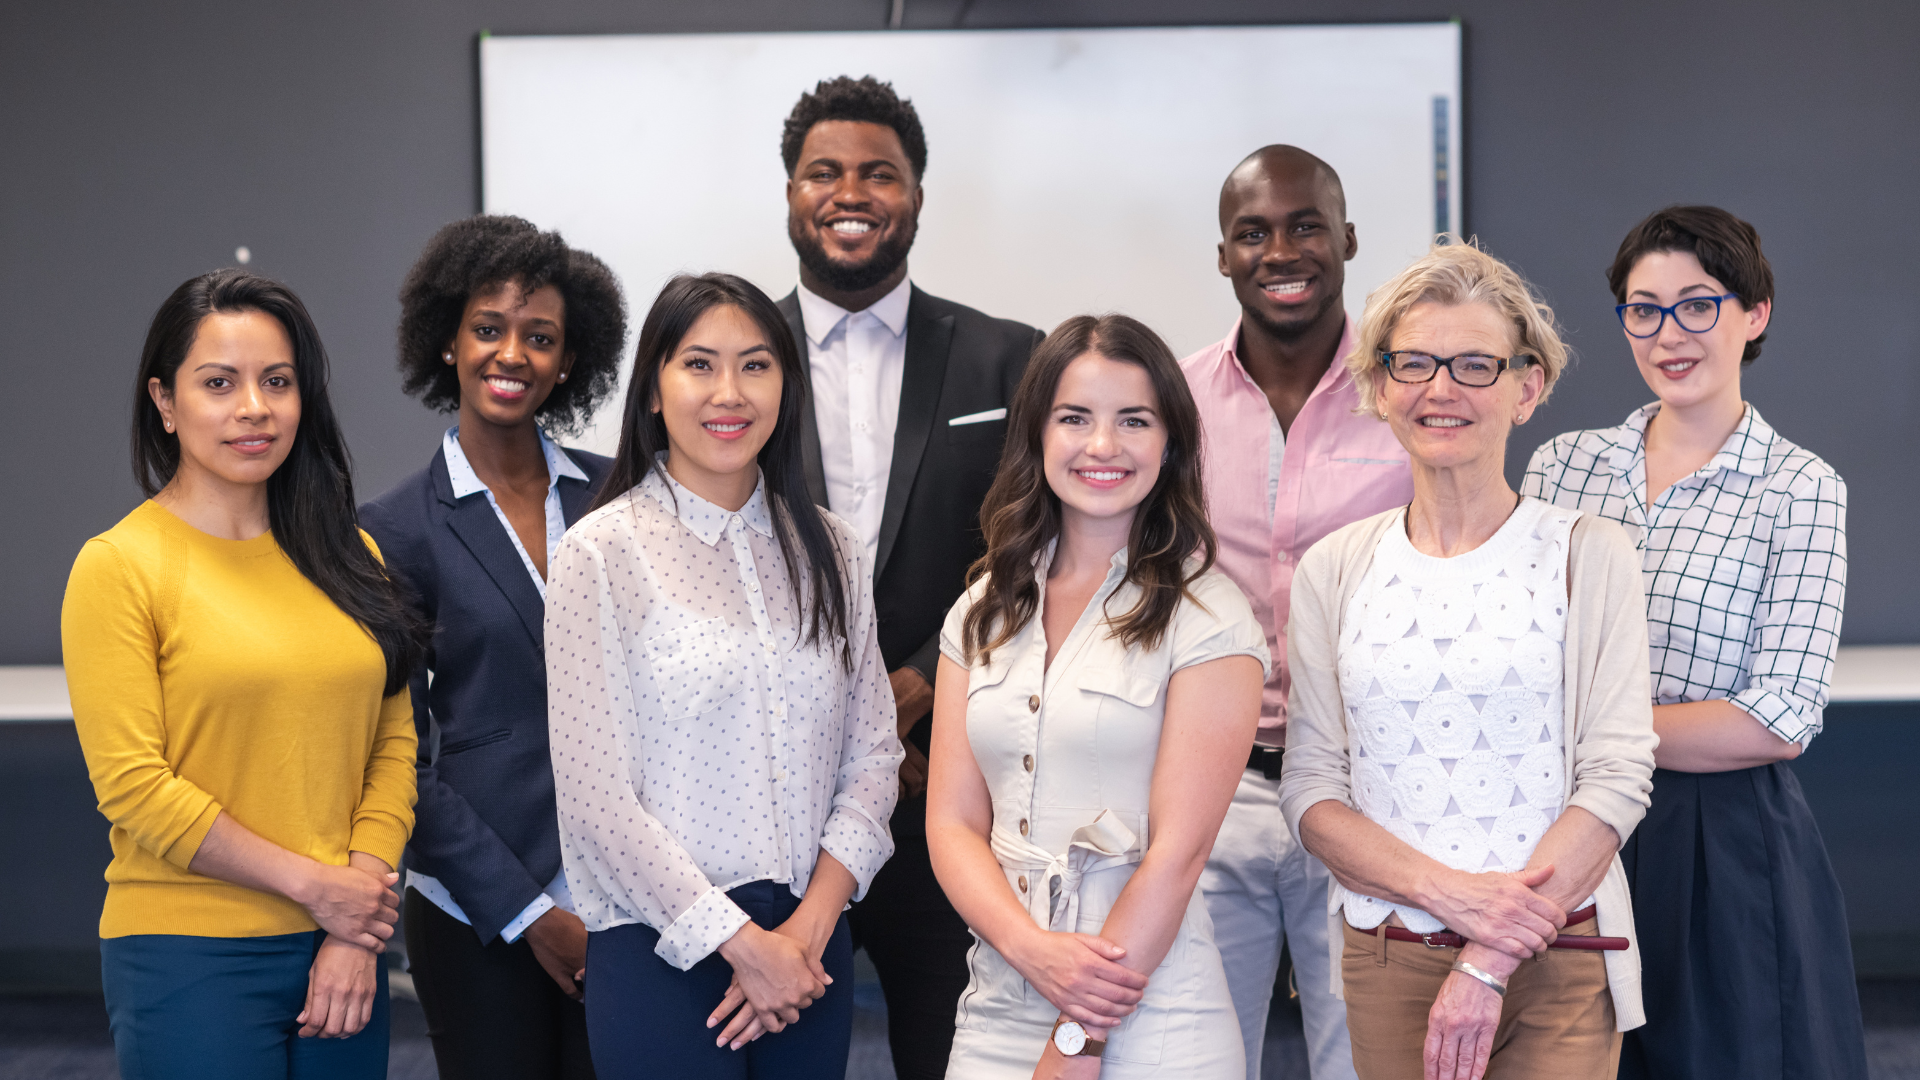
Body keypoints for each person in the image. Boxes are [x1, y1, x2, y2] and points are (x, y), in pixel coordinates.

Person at [1279, 240, 1660, 1080]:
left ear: (1529, 388)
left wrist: (1487, 953)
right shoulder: (1334, 569)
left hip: (1558, 945)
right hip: (1387, 952)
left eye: (1476, 365)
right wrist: (1448, 895)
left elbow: (1617, 776)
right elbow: (1311, 789)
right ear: (1379, 387)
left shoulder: (1589, 554)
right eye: (1413, 363)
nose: (1441, 389)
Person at [1522, 206, 1866, 1079]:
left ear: (1755, 314)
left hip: (1719, 840)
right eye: (1644, 308)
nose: (1668, 333)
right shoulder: (1564, 467)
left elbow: (1777, 718)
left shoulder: (1801, 488)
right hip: (1562, 826)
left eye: (1697, 304)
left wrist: (1602, 735)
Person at [62, 269, 422, 1079]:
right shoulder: (119, 567)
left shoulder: (349, 556)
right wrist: (321, 890)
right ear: (164, 401)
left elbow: (393, 744)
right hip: (186, 953)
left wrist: (351, 920)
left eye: (277, 381)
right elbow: (133, 785)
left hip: (340, 952)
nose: (254, 407)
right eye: (219, 383)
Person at [544, 272, 902, 1079]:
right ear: (653, 391)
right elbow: (599, 801)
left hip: (810, 948)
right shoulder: (599, 554)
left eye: (756, 365)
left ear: (787, 386)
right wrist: (741, 946)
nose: (729, 392)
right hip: (658, 944)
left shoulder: (834, 550)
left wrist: (806, 934)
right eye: (699, 364)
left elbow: (875, 757)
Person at [773, 74, 1042, 1079]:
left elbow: (1036, 542)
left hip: (958, 794)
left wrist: (927, 677)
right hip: (778, 804)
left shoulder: (1007, 358)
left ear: (917, 194)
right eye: (825, 173)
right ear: (792, 193)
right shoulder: (729, 360)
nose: (852, 193)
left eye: (879, 173)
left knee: (961, 1055)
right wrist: (847, 714)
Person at [927, 313, 1269, 1079]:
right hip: (999, 1003)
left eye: (1134, 421)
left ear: (1172, 441)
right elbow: (951, 823)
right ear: (1037, 434)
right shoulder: (983, 605)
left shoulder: (1211, 617)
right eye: (1074, 418)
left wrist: (1080, 1034)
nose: (1102, 446)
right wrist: (1032, 953)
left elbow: (1177, 857)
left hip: (1149, 1013)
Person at [358, 215, 627, 1080]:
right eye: (488, 328)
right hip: (477, 902)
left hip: (628, 891)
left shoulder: (624, 493)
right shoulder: (395, 529)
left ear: (569, 361)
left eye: (539, 337)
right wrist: (528, 912)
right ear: (447, 342)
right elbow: (400, 755)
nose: (511, 354)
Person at [1179, 144, 1413, 1080]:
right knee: (1199, 1056)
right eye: (1253, 232)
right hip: (1213, 785)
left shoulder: (1409, 395)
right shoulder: (1174, 400)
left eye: (1305, 224)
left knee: (1361, 1058)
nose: (1282, 250)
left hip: (1367, 786)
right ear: (1224, 255)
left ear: (1348, 238)